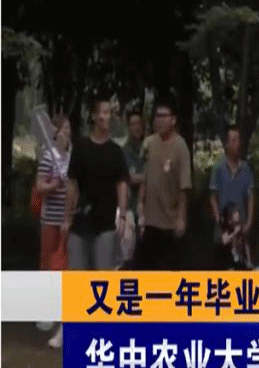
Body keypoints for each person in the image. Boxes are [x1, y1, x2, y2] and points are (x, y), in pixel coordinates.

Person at [64, 98, 130, 274]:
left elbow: (122, 184)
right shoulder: (81, 147)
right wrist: (67, 218)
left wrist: (123, 216)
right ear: (93, 116)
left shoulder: (116, 151)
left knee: (103, 276)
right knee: (77, 275)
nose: (104, 117)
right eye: (101, 112)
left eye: (108, 113)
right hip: (80, 221)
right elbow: (72, 184)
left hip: (106, 223)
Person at [134, 99, 192, 270]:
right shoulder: (150, 143)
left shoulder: (180, 146)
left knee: (168, 271)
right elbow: (145, 177)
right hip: (150, 221)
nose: (159, 120)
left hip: (170, 222)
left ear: (173, 120)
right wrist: (140, 205)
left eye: (163, 116)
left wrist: (181, 218)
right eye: (157, 116)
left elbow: (184, 186)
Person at [35, 114, 71, 349]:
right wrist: (53, 185)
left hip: (67, 222)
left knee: (65, 269)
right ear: (55, 132)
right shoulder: (48, 157)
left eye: (69, 129)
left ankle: (63, 318)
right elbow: (40, 186)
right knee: (48, 267)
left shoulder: (72, 156)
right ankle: (46, 312)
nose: (67, 133)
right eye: (64, 129)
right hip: (50, 221)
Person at [209, 125, 254, 254]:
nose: (237, 144)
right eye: (233, 140)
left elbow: (250, 196)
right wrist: (219, 221)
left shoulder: (246, 169)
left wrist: (249, 222)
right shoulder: (218, 168)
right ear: (227, 144)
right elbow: (213, 197)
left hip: (240, 227)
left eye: (238, 140)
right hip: (223, 229)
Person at [122, 109, 146, 223]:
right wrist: (147, 177)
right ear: (129, 128)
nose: (136, 127)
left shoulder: (148, 148)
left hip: (149, 207)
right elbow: (128, 177)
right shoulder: (125, 151)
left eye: (139, 123)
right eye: (133, 124)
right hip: (130, 208)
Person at [213, 203, 250, 270]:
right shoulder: (224, 228)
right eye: (235, 213)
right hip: (226, 263)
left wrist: (248, 262)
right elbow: (224, 241)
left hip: (238, 263)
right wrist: (234, 233)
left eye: (238, 212)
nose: (237, 215)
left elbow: (245, 245)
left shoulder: (240, 228)